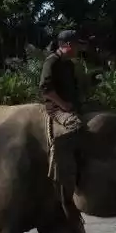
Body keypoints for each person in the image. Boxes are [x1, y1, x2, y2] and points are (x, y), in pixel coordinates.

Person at [39, 30, 87, 221]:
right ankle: (61, 172)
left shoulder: (69, 64)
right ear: (66, 45)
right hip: (57, 108)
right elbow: (45, 88)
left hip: (72, 106)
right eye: (76, 45)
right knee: (73, 126)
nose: (78, 49)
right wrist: (63, 105)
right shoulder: (52, 62)